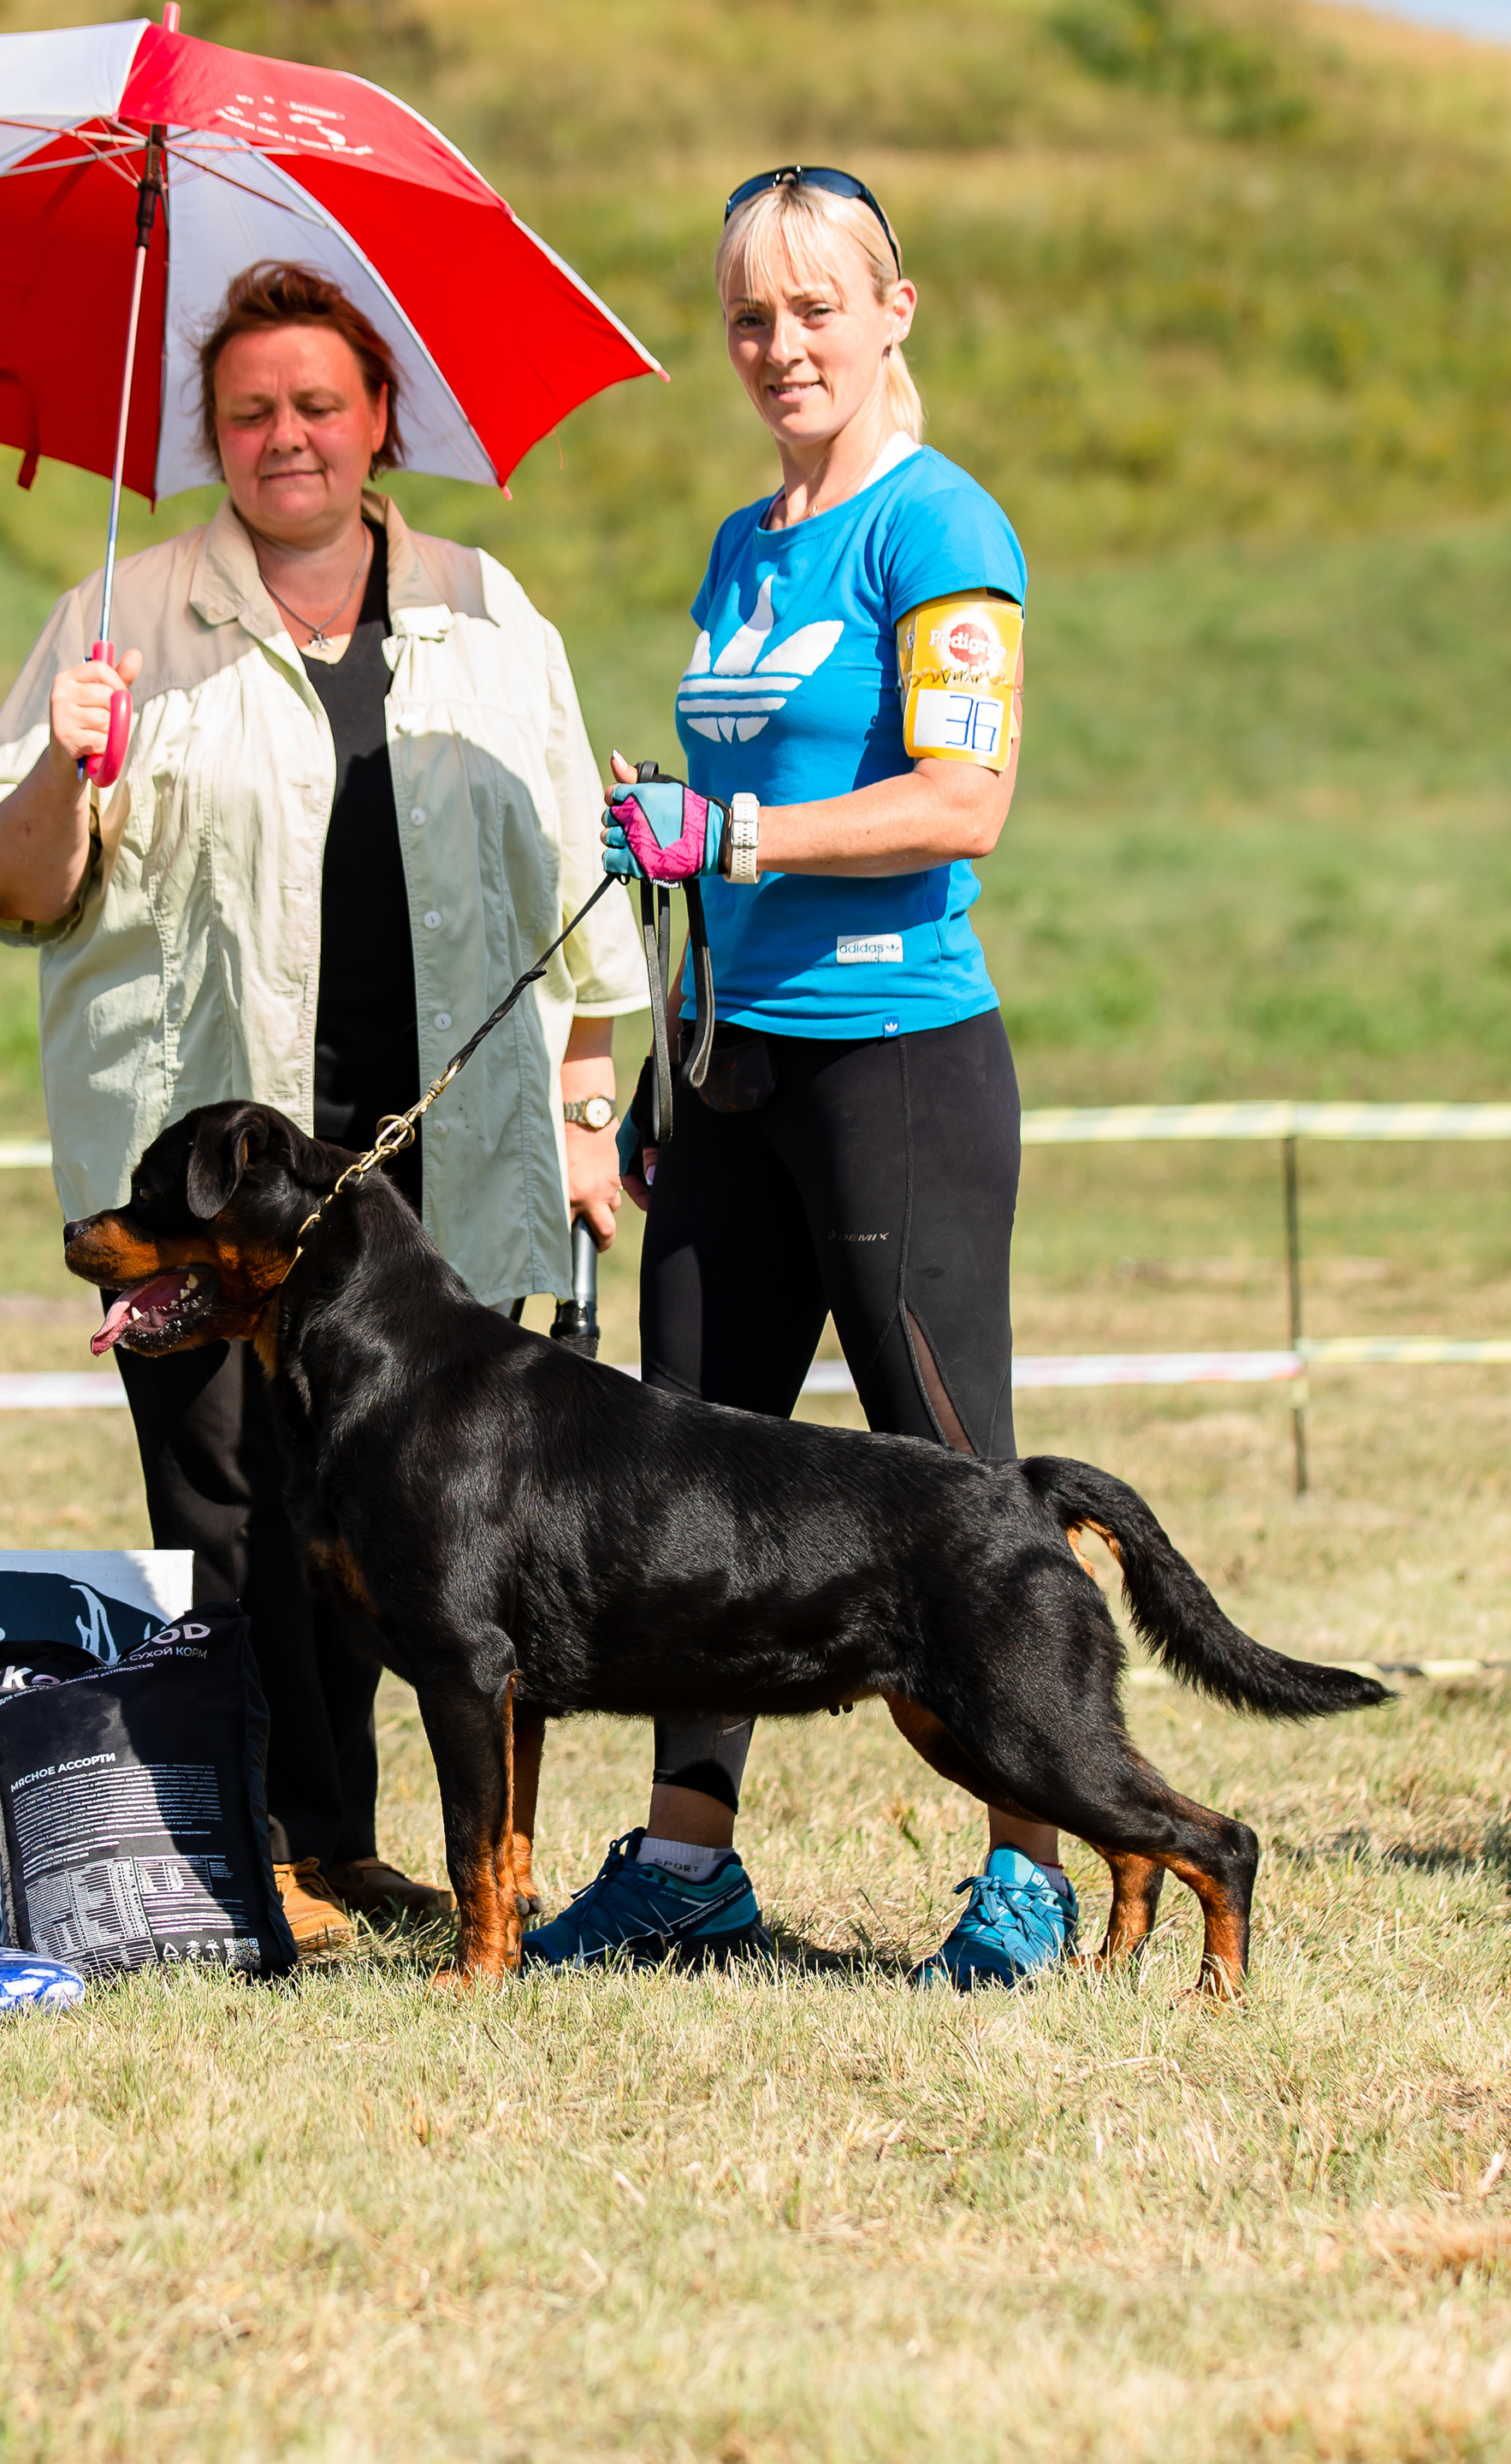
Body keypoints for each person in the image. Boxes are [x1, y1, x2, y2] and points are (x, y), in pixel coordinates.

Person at [0, 262, 648, 1958]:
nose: (286, 436)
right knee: (225, 1506)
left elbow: (575, 862)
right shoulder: (120, 619)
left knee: (396, 1504)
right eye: (249, 409)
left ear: (379, 416)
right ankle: (254, 1845)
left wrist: (581, 1101)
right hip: (207, 1173)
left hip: (422, 1168)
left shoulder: (489, 610)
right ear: (211, 432)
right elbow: (13, 890)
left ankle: (341, 1845)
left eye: (318, 402)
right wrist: (65, 762)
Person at [521, 167, 1065, 1990]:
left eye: (817, 307)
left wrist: (735, 835)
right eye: (750, 315)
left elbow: (962, 800)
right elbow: (730, 812)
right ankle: (687, 1864)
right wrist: (671, 951)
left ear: (893, 310)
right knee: (678, 1472)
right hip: (727, 1064)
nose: (780, 345)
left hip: (893, 1063)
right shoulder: (742, 544)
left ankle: (1027, 1863)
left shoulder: (942, 525)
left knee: (948, 1475)